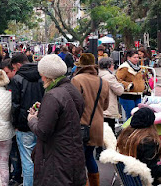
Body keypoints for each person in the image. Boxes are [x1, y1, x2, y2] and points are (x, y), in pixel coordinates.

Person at [28, 54, 86, 186]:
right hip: (72, 154)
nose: (41, 78)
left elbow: (43, 131)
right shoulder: (71, 89)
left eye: (41, 74)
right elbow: (69, 117)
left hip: (56, 158)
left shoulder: (53, 95)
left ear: (46, 75)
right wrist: (44, 111)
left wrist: (32, 119)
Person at [117, 108, 161, 185]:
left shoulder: (124, 135)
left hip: (130, 176)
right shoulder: (147, 142)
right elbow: (151, 170)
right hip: (142, 179)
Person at [71, 54, 109, 186]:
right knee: (89, 157)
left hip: (81, 125)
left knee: (78, 159)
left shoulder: (76, 80)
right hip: (97, 125)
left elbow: (73, 105)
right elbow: (105, 106)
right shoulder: (103, 82)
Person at [10, 52, 44, 186]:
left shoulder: (17, 79)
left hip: (24, 124)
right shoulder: (42, 76)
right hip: (41, 122)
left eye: (13, 68)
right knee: (40, 159)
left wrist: (15, 123)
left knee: (27, 160)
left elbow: (15, 104)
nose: (14, 70)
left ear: (18, 65)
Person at [1, 59, 22, 185]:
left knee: (15, 153)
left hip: (15, 125)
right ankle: (14, 175)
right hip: (10, 125)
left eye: (7, 72)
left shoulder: (15, 83)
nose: (6, 75)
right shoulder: (8, 84)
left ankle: (16, 175)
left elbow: (16, 105)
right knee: (11, 153)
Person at [116, 50, 145, 119]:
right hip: (127, 95)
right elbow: (118, 79)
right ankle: (126, 129)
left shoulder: (137, 67)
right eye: (134, 57)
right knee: (131, 117)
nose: (136, 59)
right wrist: (129, 85)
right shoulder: (124, 68)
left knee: (137, 116)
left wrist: (143, 86)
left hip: (137, 95)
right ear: (128, 58)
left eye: (137, 57)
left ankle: (134, 129)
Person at [98, 57, 124, 133]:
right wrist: (121, 86)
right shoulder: (109, 77)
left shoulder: (98, 75)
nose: (113, 67)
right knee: (109, 131)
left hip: (99, 108)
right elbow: (119, 91)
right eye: (112, 65)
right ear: (109, 66)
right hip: (108, 108)